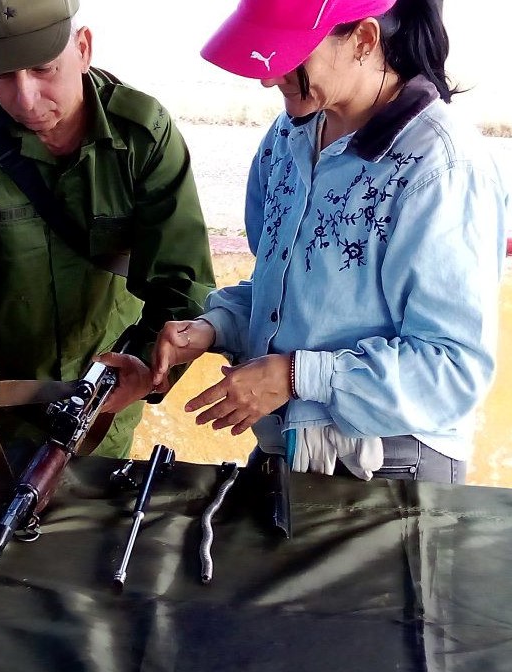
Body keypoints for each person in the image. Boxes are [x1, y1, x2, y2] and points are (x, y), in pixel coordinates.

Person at [152, 0, 509, 483]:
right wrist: (214, 327)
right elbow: (278, 292)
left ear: (363, 40)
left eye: (291, 57)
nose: (268, 77)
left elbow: (452, 369)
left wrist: (294, 376)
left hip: (391, 466)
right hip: (291, 453)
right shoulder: (287, 138)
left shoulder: (441, 168)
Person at [0, 0, 215, 458]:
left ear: (83, 47)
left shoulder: (141, 135)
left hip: (100, 400)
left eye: (43, 69)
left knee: (89, 524)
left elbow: (182, 280)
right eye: (3, 75)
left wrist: (144, 365)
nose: (26, 98)